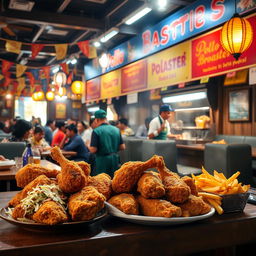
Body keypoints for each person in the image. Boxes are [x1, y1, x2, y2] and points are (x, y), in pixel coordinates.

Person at [89, 109, 125, 177]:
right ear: (106, 118)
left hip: (102, 161)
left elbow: (93, 150)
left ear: (96, 120)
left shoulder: (96, 131)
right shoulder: (116, 130)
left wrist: (88, 146)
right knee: (114, 181)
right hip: (115, 160)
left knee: (103, 182)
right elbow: (122, 147)